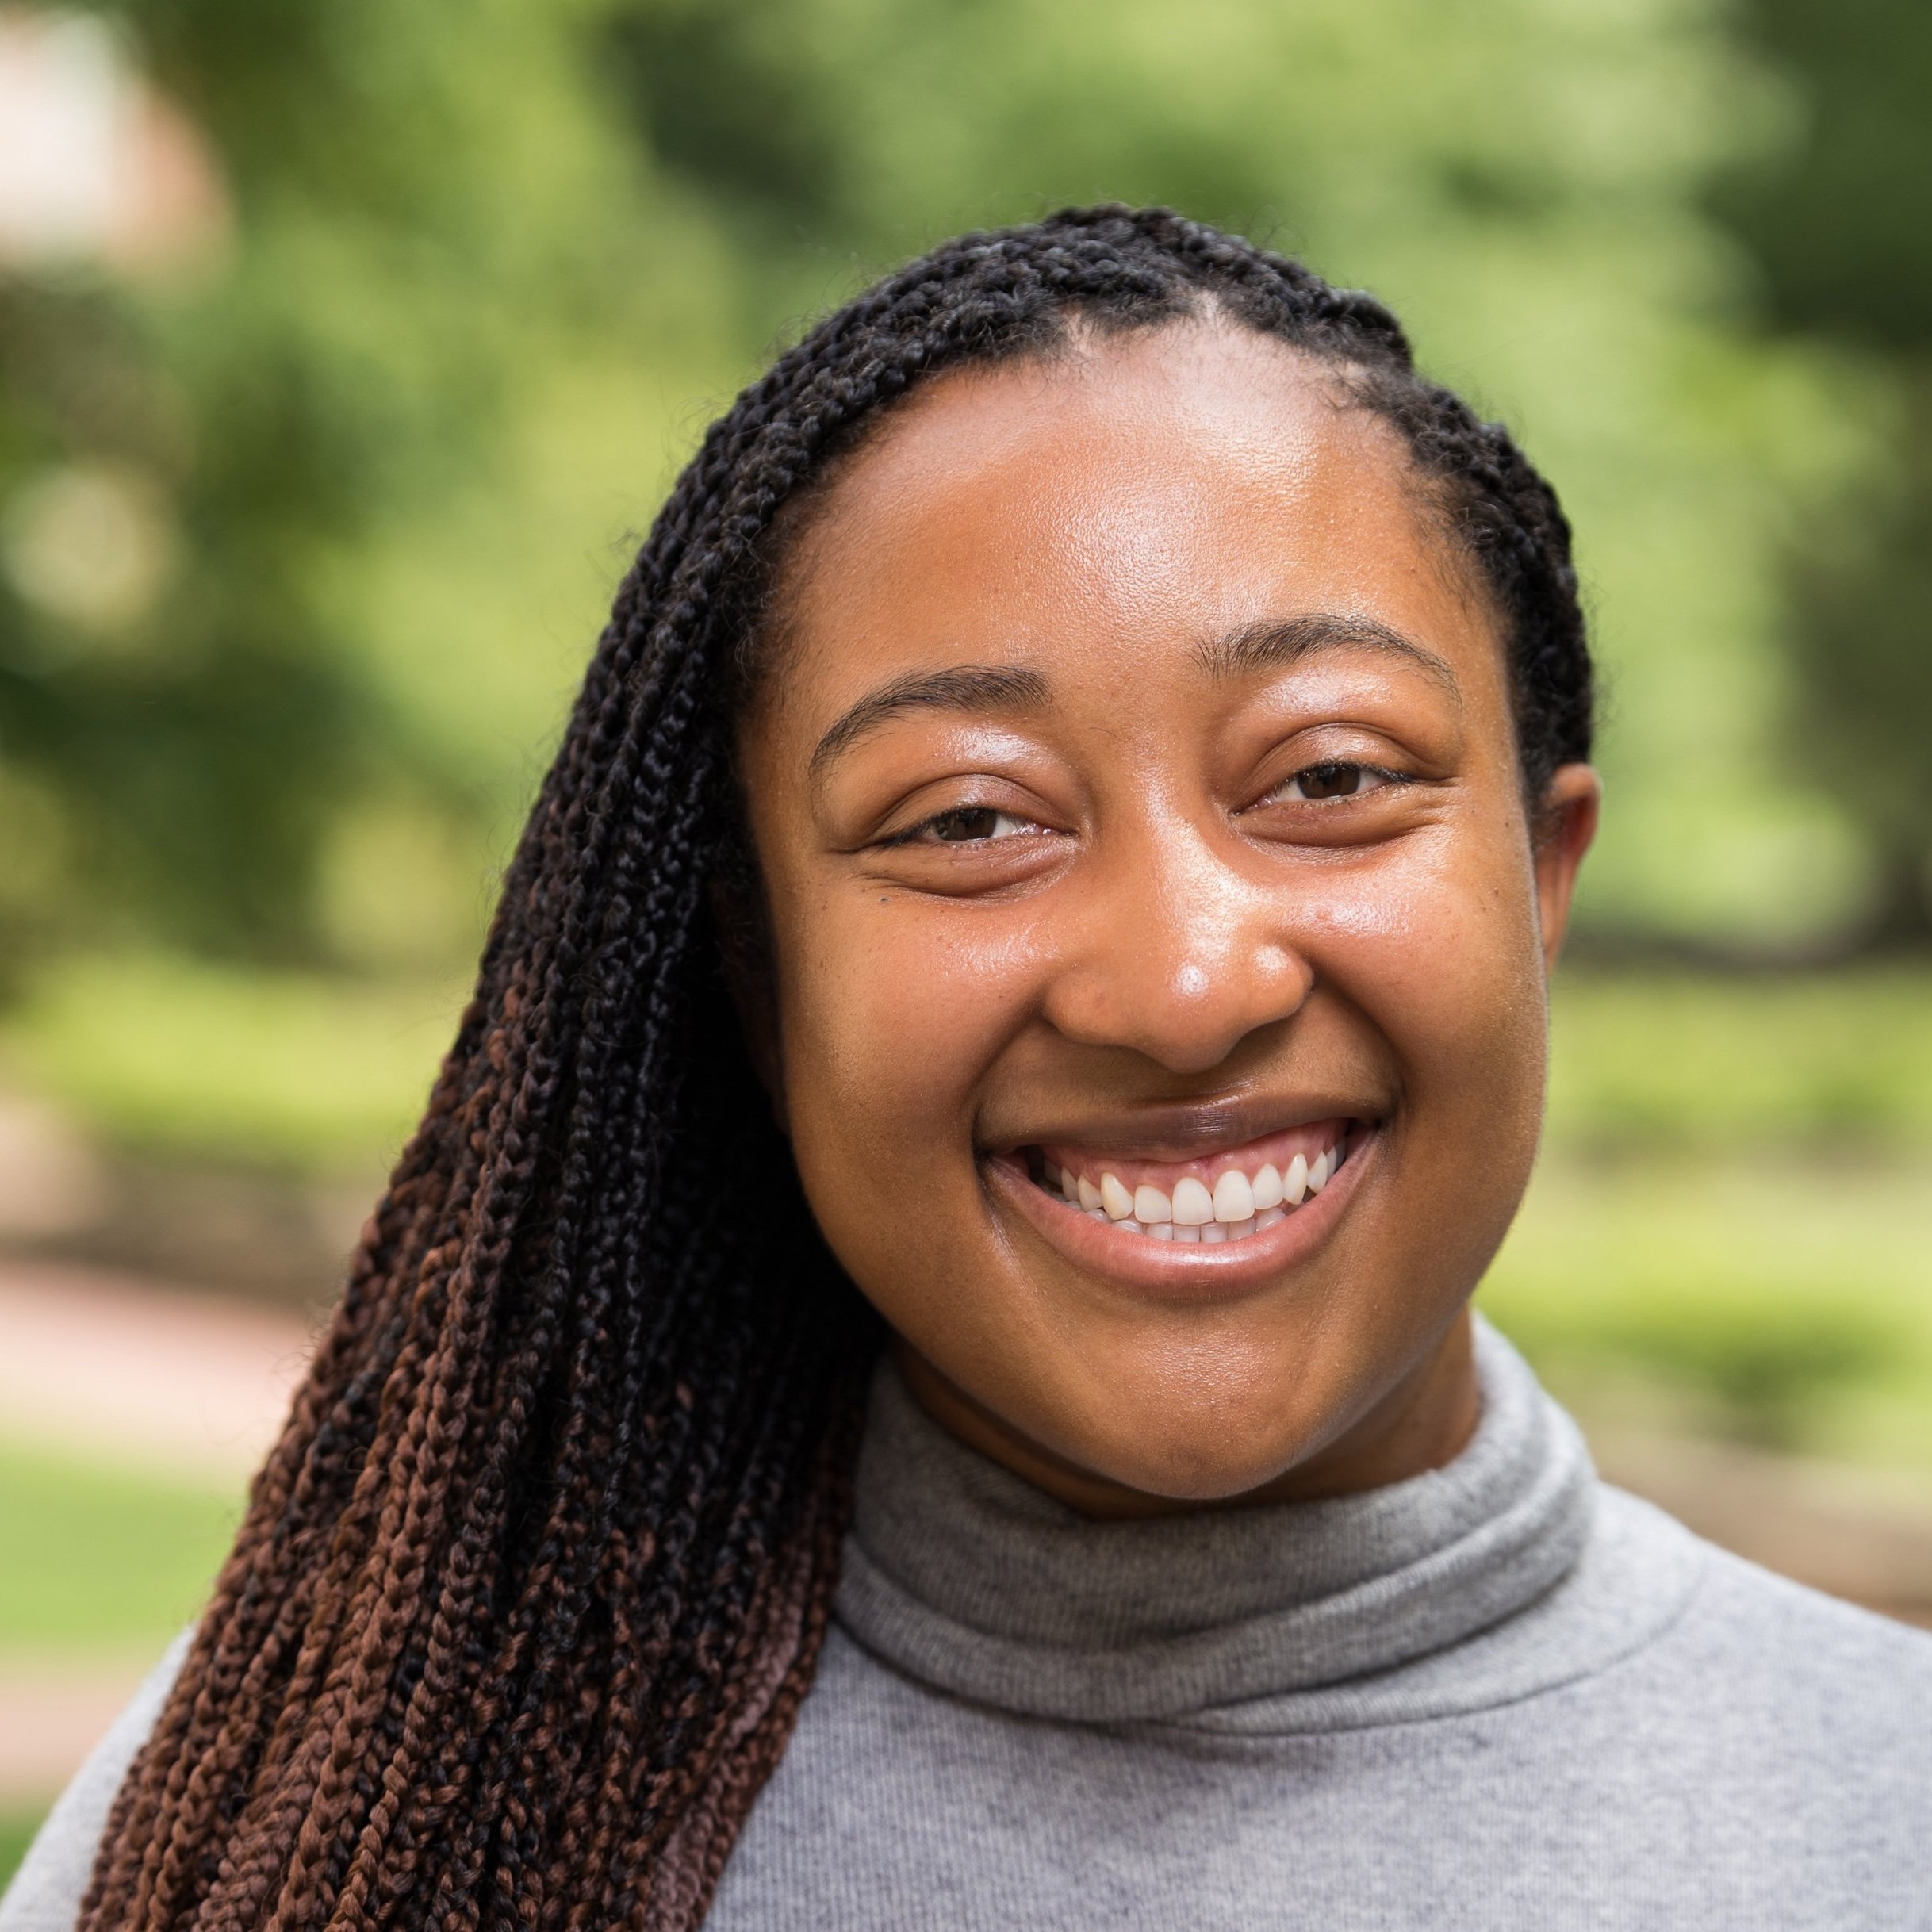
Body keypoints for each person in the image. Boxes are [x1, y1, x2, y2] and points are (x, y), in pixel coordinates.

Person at [5, 205, 1928, 1932]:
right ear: (763, 990)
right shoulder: (318, 1831)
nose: (1180, 985)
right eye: (969, 820)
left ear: (1542, 880)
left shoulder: (1886, 1819)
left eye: (1327, 778)